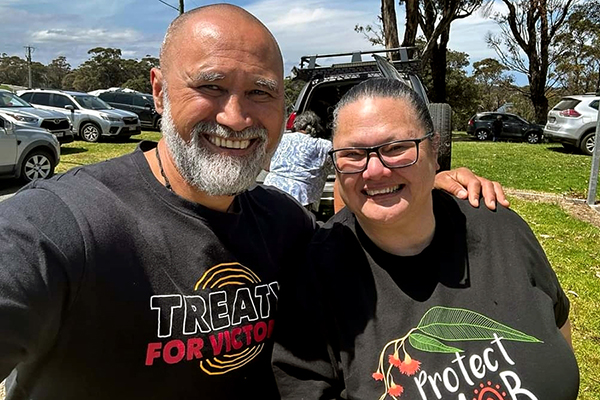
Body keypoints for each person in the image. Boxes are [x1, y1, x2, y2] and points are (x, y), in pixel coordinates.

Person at [0, 5, 506, 400]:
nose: (237, 117)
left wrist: (424, 190)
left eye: (261, 92)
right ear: (158, 92)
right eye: (211, 86)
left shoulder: (286, 224)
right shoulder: (61, 223)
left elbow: (370, 256)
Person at [272, 78, 579, 400]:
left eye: (396, 148)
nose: (374, 170)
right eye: (353, 154)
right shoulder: (313, 277)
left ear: (434, 151)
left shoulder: (500, 227)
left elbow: (558, 324)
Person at [263, 111, 332, 212]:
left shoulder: (280, 138)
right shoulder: (323, 145)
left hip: (270, 189)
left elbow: (264, 162)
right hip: (300, 196)